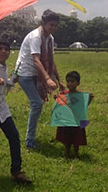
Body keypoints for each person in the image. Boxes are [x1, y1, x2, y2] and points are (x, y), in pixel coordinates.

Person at [0, 40, 32, 184]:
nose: (3, 51)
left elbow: (6, 83)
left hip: (2, 109)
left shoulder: (4, 67)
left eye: (6, 49)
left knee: (14, 137)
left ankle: (16, 171)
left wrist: (11, 80)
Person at [14, 9, 64, 149]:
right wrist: (47, 79)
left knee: (37, 104)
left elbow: (51, 60)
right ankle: (30, 141)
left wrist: (59, 80)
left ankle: (31, 138)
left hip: (37, 75)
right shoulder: (36, 37)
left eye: (56, 25)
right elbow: (36, 60)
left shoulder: (50, 38)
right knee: (37, 104)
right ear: (44, 23)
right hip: (26, 74)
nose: (53, 28)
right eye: (51, 25)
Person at [55, 71, 93, 159]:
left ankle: (76, 153)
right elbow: (61, 105)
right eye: (68, 81)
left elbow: (83, 107)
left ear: (78, 83)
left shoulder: (80, 95)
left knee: (76, 137)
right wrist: (57, 99)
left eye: (72, 81)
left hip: (76, 120)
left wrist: (89, 99)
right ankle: (67, 153)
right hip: (66, 119)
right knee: (66, 137)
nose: (70, 83)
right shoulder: (64, 94)